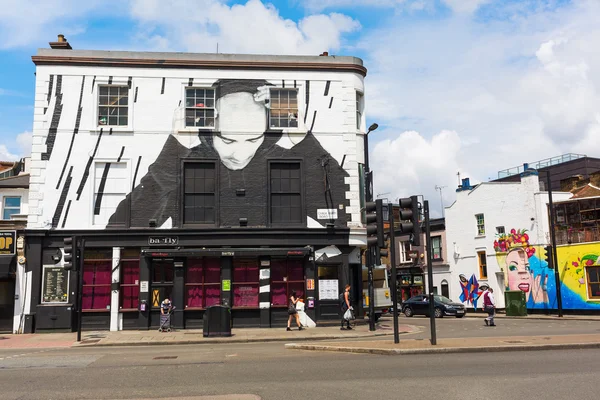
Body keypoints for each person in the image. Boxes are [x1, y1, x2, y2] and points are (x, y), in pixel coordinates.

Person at [108, 78, 349, 229]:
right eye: (227, 139)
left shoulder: (287, 163)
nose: (239, 153)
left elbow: (344, 214)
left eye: (253, 139)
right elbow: (123, 225)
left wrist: (304, 139)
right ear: (208, 129)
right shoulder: (183, 164)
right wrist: (175, 146)